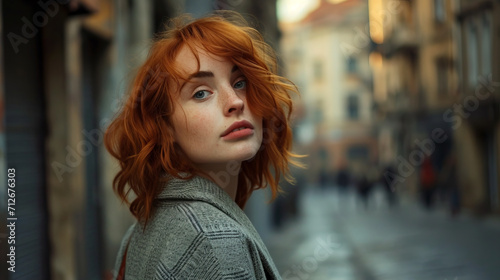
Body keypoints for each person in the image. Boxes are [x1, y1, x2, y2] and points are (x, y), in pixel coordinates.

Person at [104, 11, 302, 280]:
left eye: (239, 82)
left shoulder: (145, 227)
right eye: (200, 93)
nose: (235, 101)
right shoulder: (215, 240)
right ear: (165, 128)